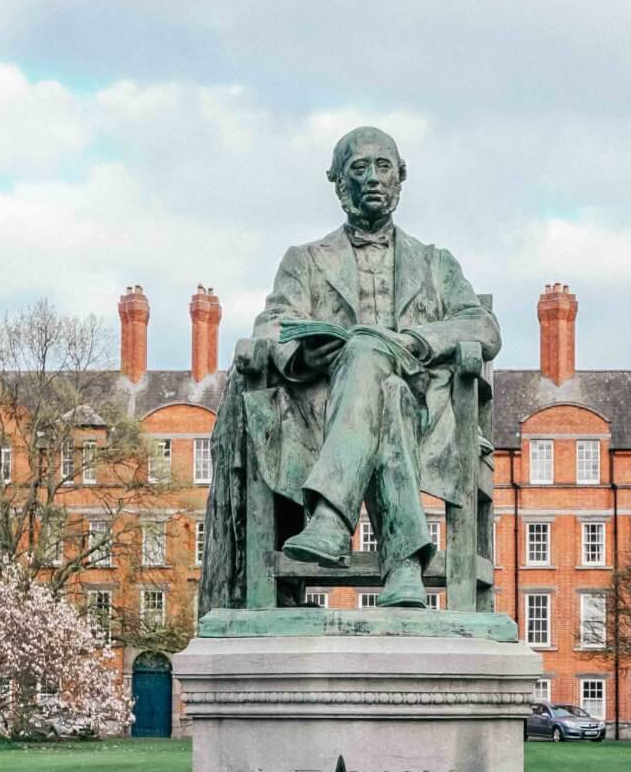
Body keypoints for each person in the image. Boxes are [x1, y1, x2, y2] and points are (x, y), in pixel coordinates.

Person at [201, 125, 499, 610]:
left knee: (369, 352)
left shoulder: (436, 263)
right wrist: (298, 357)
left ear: (400, 179)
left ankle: (332, 521)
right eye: (359, 168)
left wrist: (418, 341)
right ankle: (404, 566)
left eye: (383, 167)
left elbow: (483, 327)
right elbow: (271, 325)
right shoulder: (305, 261)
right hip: (324, 418)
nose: (373, 178)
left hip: (428, 411)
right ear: (339, 184)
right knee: (381, 383)